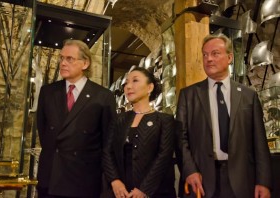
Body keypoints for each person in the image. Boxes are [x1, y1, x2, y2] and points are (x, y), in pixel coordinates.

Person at [176, 33, 272, 198]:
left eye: (215, 53)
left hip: (242, 180)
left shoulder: (249, 95)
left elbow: (260, 143)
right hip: (201, 180)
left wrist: (263, 181)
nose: (209, 59)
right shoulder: (188, 95)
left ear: (229, 57)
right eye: (205, 55)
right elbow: (180, 138)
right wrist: (189, 171)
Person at [36, 39, 117, 198]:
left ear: (85, 63)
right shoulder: (48, 92)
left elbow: (108, 141)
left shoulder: (103, 96)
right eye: (61, 58)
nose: (63, 63)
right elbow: (43, 131)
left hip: (83, 180)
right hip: (51, 178)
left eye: (70, 59)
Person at [103, 67, 176, 198]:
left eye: (135, 81)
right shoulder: (119, 119)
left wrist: (144, 189)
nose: (128, 86)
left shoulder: (164, 120)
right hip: (121, 192)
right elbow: (108, 152)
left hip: (154, 192)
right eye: (126, 82)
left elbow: (164, 157)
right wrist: (115, 181)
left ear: (150, 88)